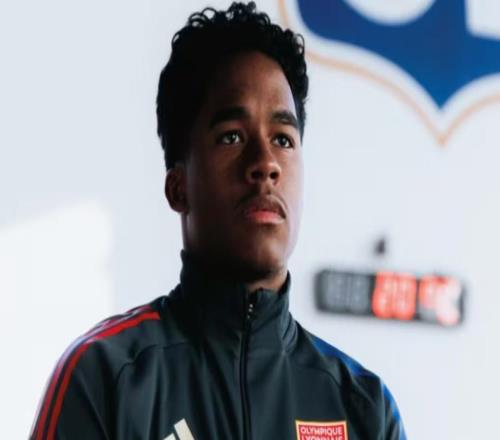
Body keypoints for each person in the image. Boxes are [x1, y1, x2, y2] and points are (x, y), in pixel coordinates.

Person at [30, 2, 406, 439]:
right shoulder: (106, 377)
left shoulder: (364, 409)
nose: (265, 163)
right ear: (178, 187)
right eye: (232, 136)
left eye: (283, 139)